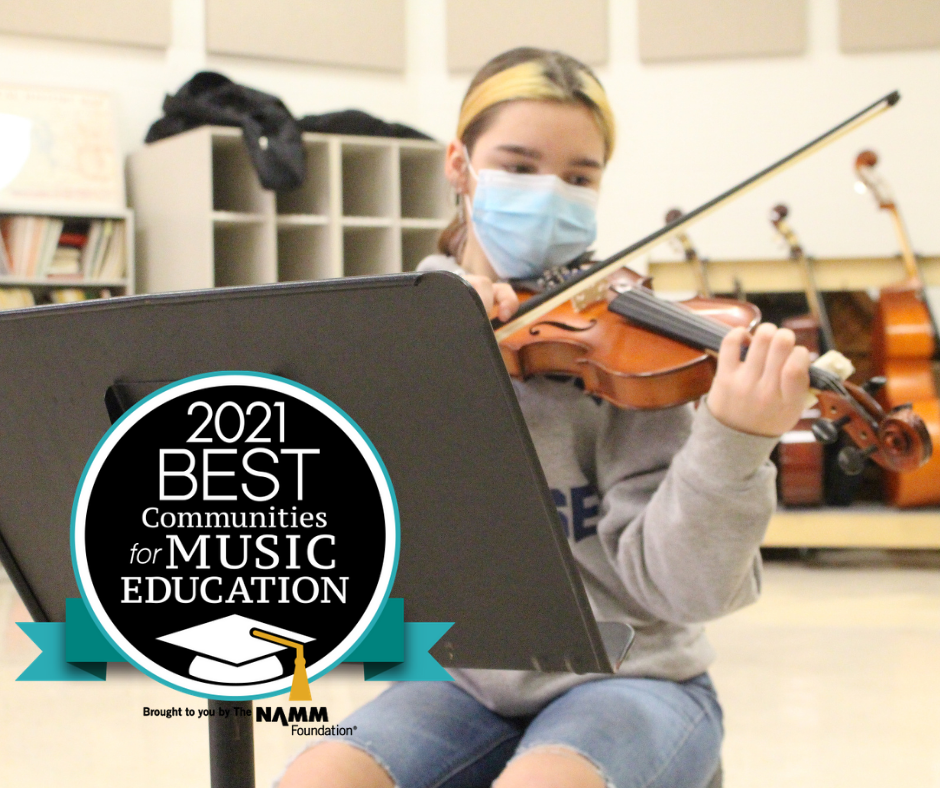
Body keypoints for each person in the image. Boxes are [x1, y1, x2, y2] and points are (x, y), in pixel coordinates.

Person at [279, 47, 810, 788]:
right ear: (460, 166)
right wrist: (447, 375)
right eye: (520, 167)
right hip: (463, 680)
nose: (550, 193)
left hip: (632, 677)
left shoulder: (632, 346)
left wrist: (734, 444)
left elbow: (688, 592)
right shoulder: (398, 329)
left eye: (579, 177)